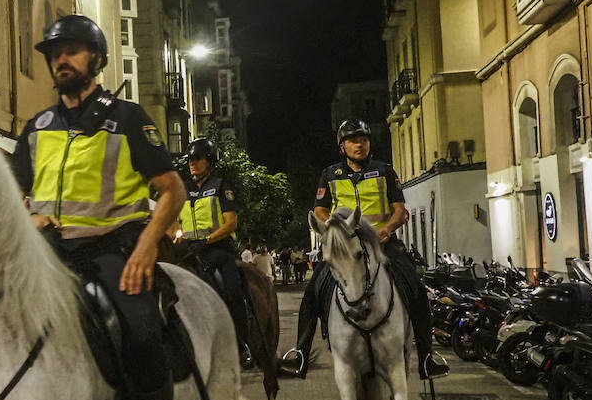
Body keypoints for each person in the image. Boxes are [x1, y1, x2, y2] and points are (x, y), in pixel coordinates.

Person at [12, 14, 187, 400]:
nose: (61, 59)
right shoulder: (38, 127)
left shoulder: (128, 118)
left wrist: (145, 252)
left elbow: (171, 190)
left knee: (140, 335)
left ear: (97, 60)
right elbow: (13, 194)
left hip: (114, 250)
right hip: (50, 254)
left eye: (72, 50)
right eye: (55, 52)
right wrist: (28, 216)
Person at [279, 120, 449, 381]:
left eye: (364, 139)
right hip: (346, 247)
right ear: (342, 146)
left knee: (415, 285)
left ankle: (427, 356)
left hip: (382, 243)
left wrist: (387, 230)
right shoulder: (330, 174)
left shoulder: (385, 171)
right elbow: (320, 209)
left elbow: (399, 210)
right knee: (313, 291)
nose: (359, 144)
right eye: (353, 140)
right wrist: (333, 229)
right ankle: (300, 353)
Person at [176, 138, 249, 356]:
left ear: (209, 161)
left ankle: (241, 343)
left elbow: (231, 223)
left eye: (197, 159)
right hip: (189, 250)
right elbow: (174, 221)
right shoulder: (183, 188)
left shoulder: (220, 187)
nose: (192, 163)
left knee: (233, 292)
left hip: (217, 249)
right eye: (190, 159)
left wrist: (206, 241)